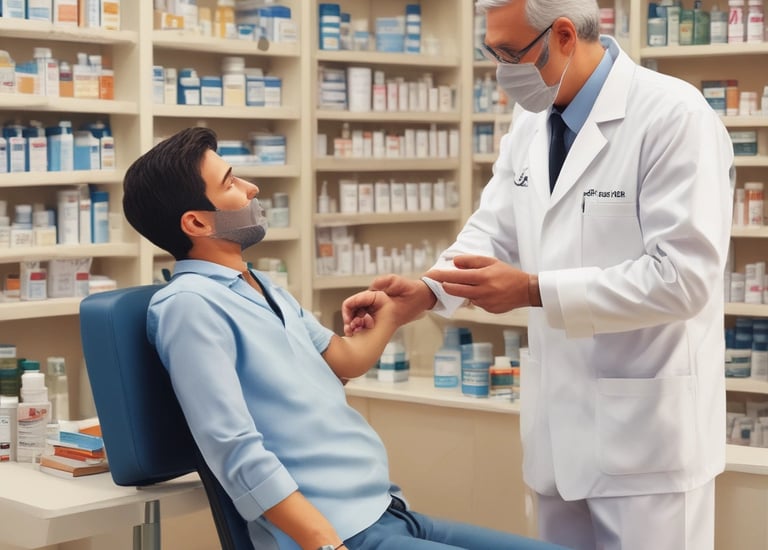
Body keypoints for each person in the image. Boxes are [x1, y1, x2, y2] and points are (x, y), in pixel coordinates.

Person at [343, 1, 735, 549]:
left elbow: (683, 278)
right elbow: (494, 227)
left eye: (511, 54)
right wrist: (428, 292)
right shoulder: (531, 119)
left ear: (565, 35)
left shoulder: (673, 115)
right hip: (558, 436)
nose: (502, 72)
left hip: (648, 441)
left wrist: (533, 290)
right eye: (492, 53)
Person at [121, 127, 567, 550]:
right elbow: (234, 449)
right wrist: (324, 543)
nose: (251, 188)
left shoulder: (259, 285)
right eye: (231, 182)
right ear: (197, 223)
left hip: (384, 509)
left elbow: (343, 360)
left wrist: (395, 311)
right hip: (341, 532)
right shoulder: (190, 305)